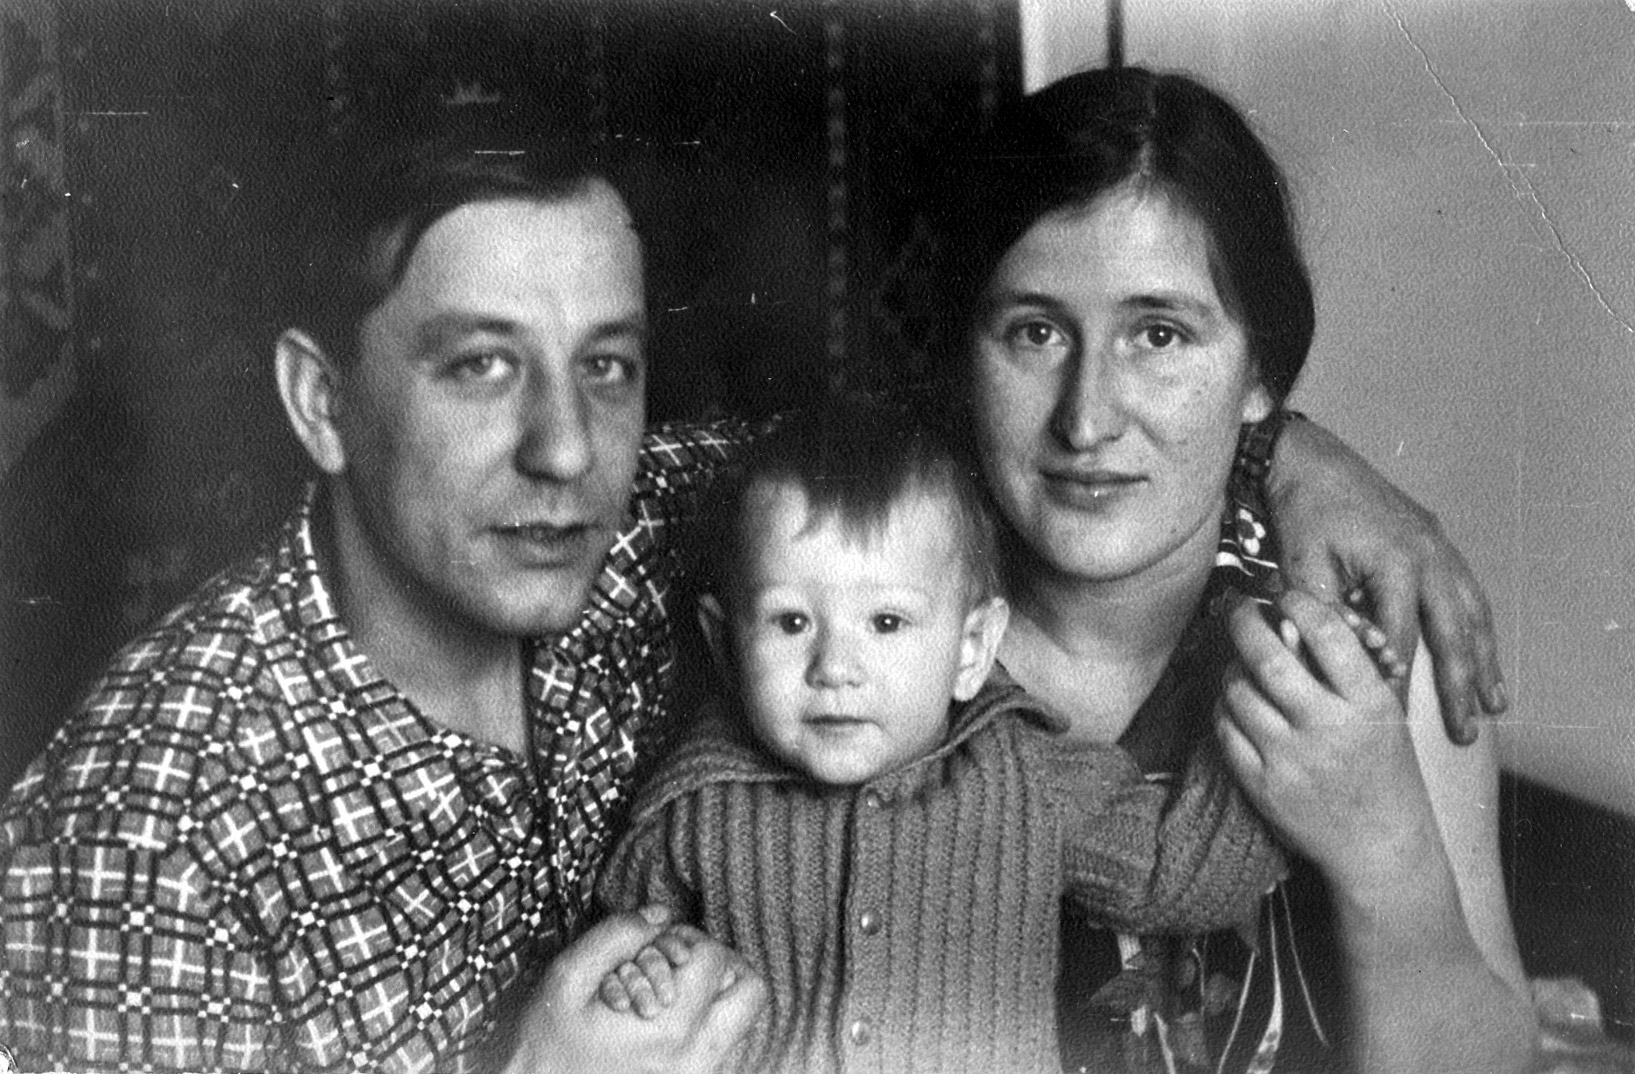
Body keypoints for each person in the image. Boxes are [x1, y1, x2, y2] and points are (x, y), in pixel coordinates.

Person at [0, 104, 1506, 1073]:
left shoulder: (667, 518)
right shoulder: (144, 828)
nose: (564, 449)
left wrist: (1296, 457)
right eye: (478, 366)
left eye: (607, 366)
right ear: (321, 404)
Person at [920, 67, 1534, 1072]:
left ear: (1261, 376)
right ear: (964, 354)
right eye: (1035, 332)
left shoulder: (1368, 646)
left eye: (1159, 335)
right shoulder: (865, 632)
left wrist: (1388, 856)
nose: (1087, 417)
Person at [593, 398, 1287, 1074]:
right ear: (725, 644)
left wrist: (1270, 692)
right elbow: (616, 975)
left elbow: (1178, 873)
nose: (834, 668)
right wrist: (644, 977)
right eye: (791, 622)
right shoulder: (690, 807)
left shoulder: (1023, 773)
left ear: (970, 649)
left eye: (886, 623)